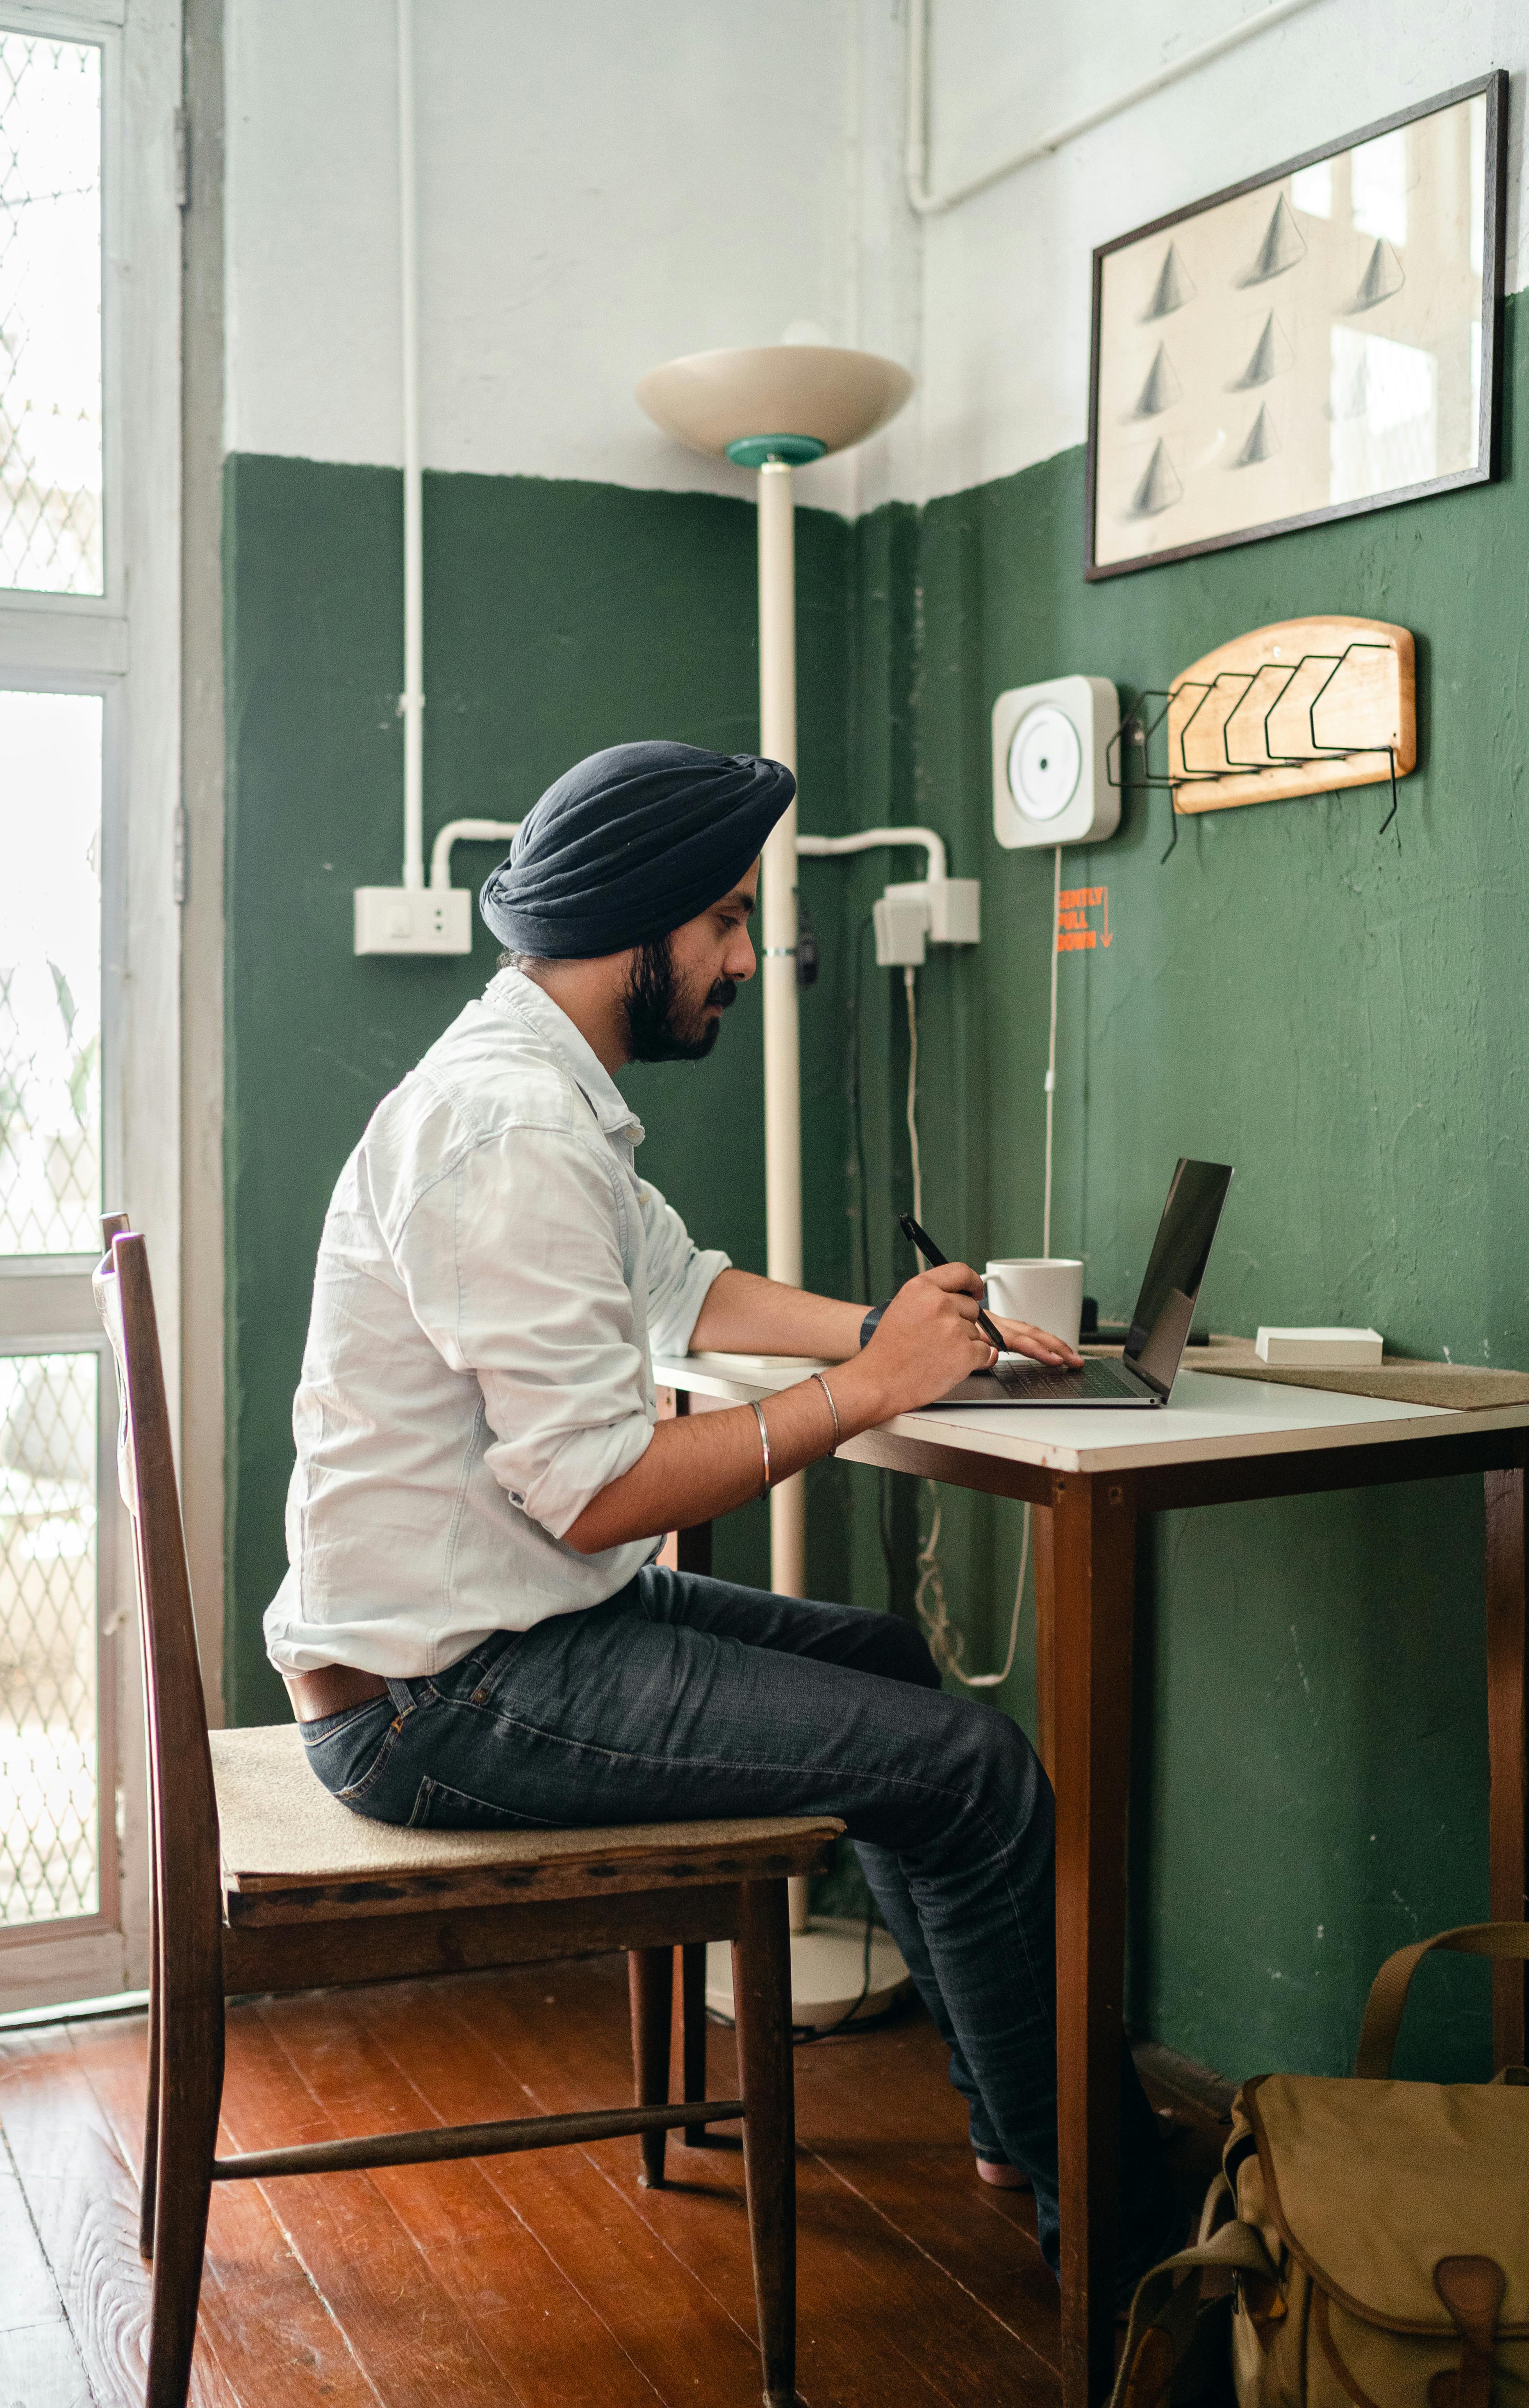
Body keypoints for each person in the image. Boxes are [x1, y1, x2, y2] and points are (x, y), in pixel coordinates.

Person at [266, 738, 1179, 2290]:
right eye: (730, 925)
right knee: (978, 1768)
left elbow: (685, 1289)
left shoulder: (543, 1093)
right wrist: (873, 1391)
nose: (748, 959)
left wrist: (895, 1326)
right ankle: (1115, 2226)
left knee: (895, 1671)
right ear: (639, 930)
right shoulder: (513, 1137)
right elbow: (595, 1492)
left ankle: (1015, 2131)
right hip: (443, 1698)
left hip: (502, 1638)